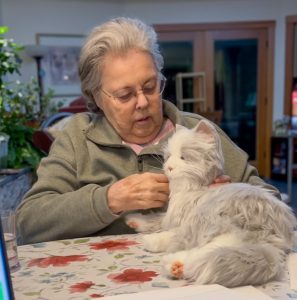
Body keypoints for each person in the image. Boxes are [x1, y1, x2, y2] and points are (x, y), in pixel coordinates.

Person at [16, 17, 280, 244]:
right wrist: (109, 200)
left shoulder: (194, 131)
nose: (143, 102)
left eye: (150, 86)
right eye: (125, 94)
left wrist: (226, 200)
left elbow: (272, 204)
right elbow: (29, 223)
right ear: (96, 97)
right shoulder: (77, 137)